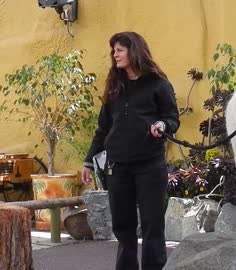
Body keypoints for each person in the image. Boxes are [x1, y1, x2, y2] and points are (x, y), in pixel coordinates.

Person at [81, 31, 180, 270]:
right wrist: (87, 162)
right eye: (113, 50)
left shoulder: (158, 84)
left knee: (152, 225)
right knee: (123, 227)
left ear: (134, 50)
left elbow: (172, 118)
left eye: (119, 49)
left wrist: (162, 125)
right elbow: (103, 128)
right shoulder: (115, 86)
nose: (114, 54)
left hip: (150, 165)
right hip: (117, 167)